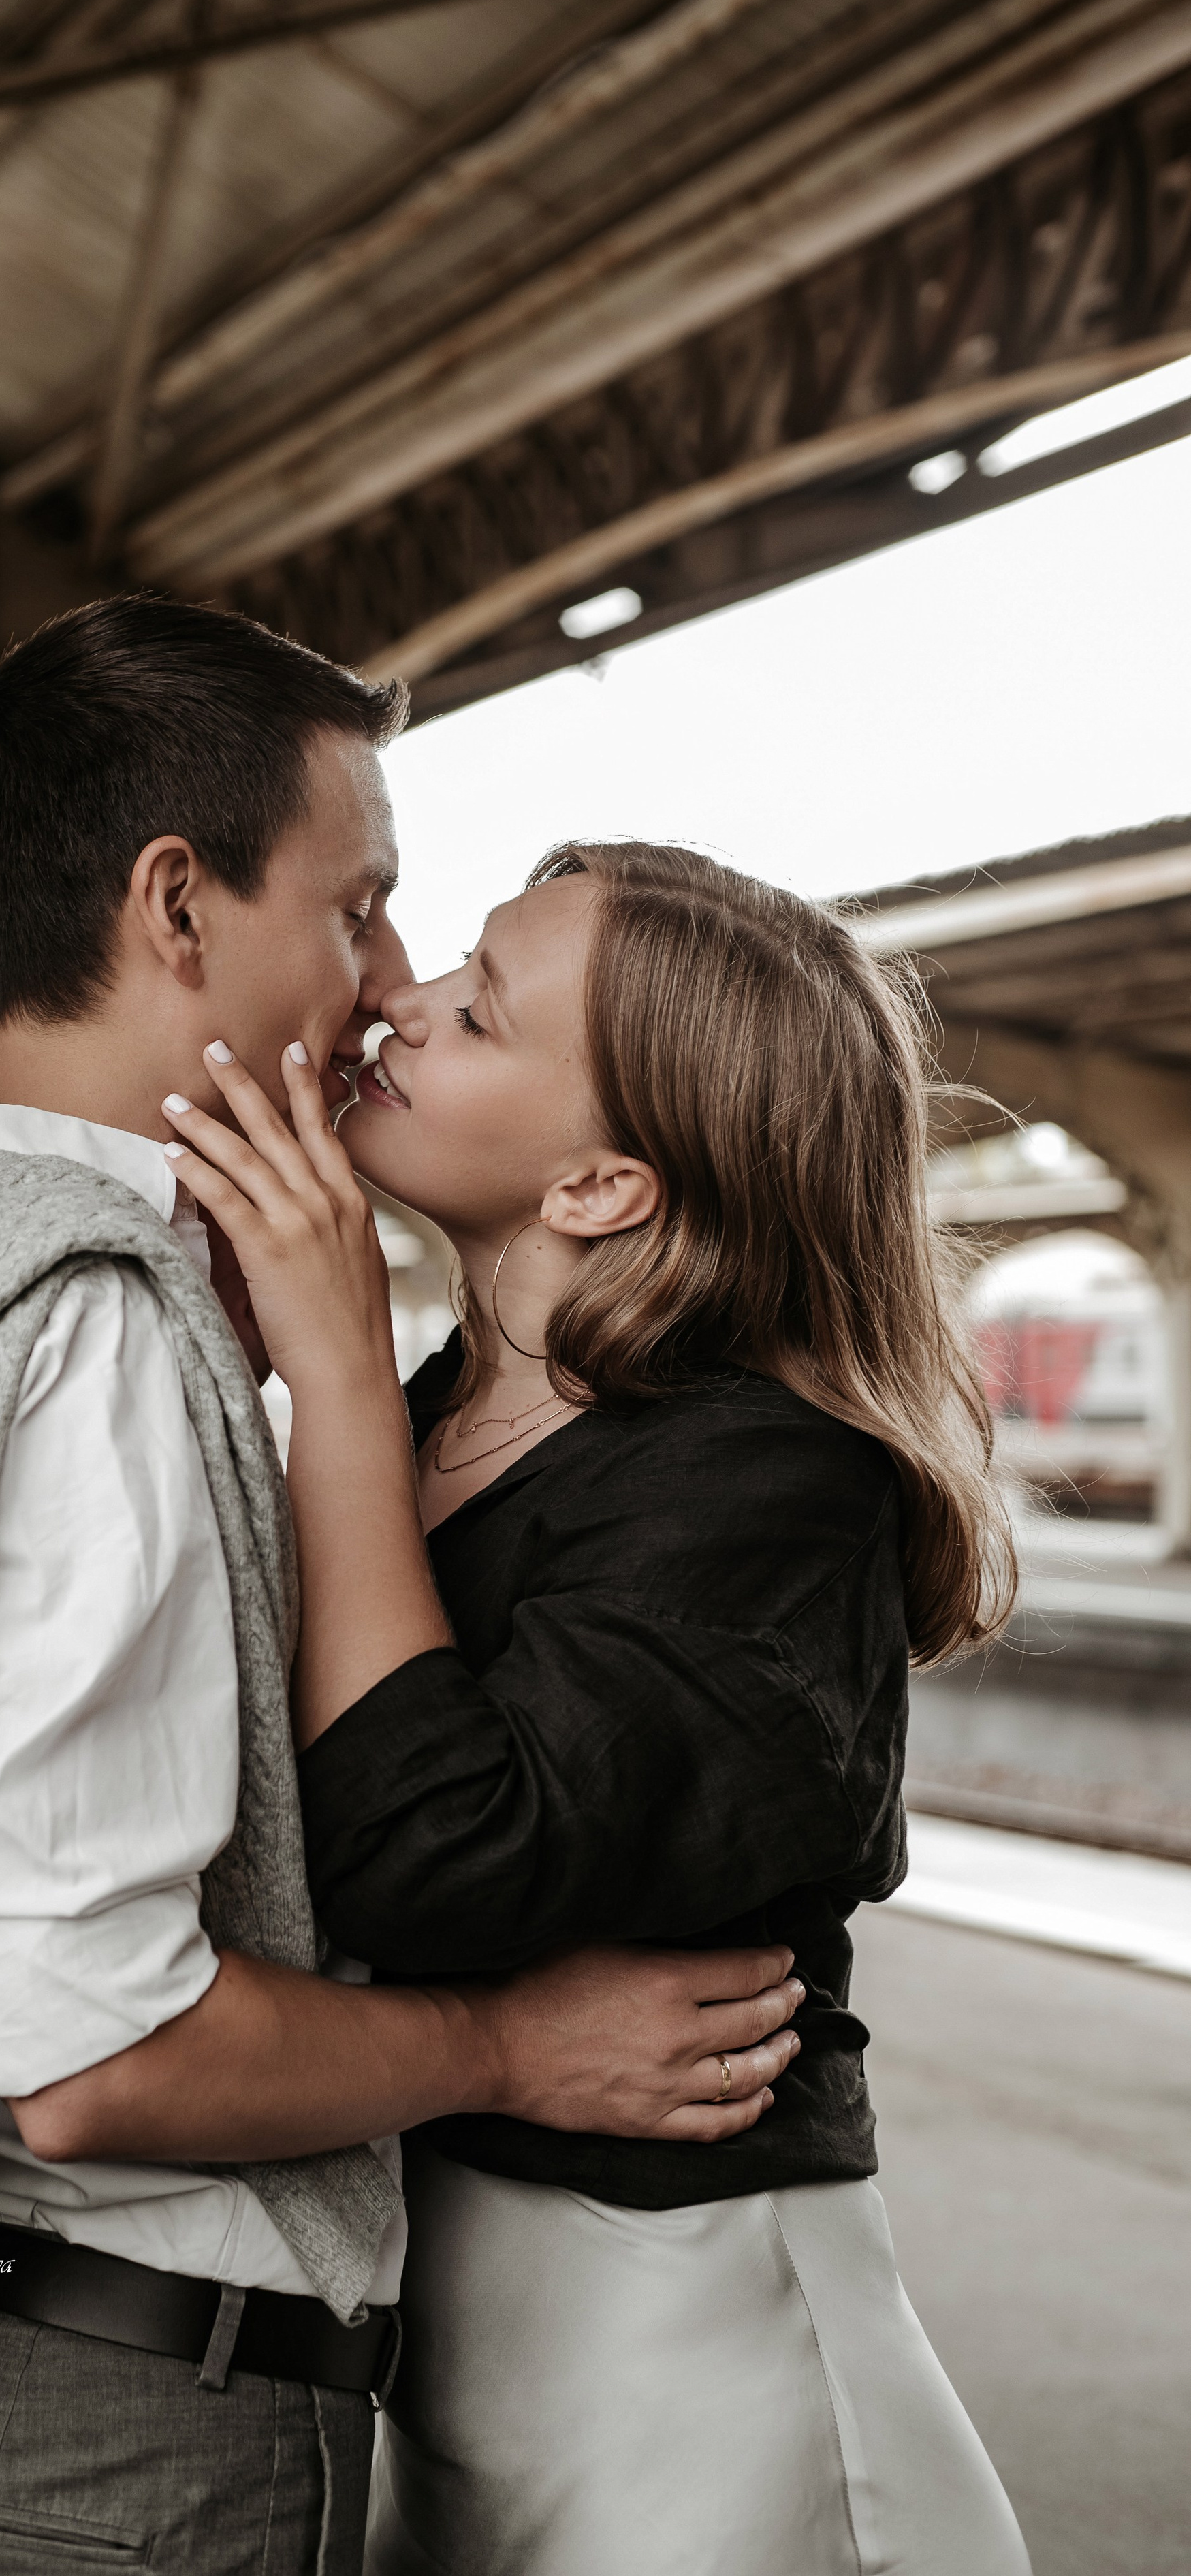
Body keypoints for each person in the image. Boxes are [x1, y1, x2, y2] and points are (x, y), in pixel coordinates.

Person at [0, 603, 805, 2576]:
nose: (382, 984)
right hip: (112, 2465)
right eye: (358, 909)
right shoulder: (94, 1327)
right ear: (177, 906)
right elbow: (102, 2052)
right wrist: (518, 2044)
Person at [161, 836, 1034, 2575]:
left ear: (598, 1189)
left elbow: (427, 1855)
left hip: (707, 2383)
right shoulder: (427, 1419)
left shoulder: (767, 1483)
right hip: (482, 2385)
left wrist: (329, 1363)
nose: (391, 1005)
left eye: (474, 1010)